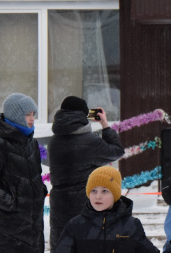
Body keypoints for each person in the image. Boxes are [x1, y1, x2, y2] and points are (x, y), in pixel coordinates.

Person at [48, 96, 125, 251]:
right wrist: (104, 124)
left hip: (59, 204)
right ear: (83, 115)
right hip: (84, 204)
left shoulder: (53, 142)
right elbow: (117, 151)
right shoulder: (89, 141)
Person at [0, 93, 47, 253]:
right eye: (27, 114)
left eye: (33, 114)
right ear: (16, 116)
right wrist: (11, 202)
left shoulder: (32, 142)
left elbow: (35, 175)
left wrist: (39, 191)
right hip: (7, 231)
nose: (32, 118)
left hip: (33, 227)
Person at [55, 166, 159, 253]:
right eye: (94, 191)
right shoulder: (75, 226)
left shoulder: (131, 225)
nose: (98, 196)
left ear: (115, 195)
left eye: (104, 191)